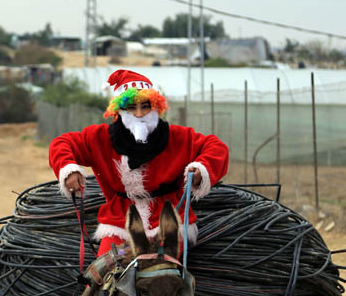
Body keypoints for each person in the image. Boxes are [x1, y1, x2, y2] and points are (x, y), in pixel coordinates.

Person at [49, 69, 229, 257]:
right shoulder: (100, 137)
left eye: (145, 106)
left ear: (156, 107)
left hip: (168, 218)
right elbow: (61, 144)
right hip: (120, 219)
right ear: (119, 110)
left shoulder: (177, 136)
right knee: (108, 265)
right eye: (131, 108)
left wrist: (201, 168)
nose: (139, 114)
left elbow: (216, 147)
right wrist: (69, 170)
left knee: (165, 271)